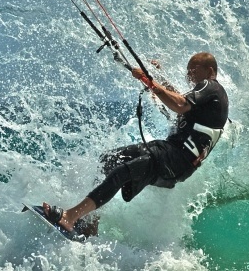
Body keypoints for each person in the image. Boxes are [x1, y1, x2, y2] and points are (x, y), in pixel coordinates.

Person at [43, 52, 229, 236]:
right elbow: (178, 101)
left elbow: (179, 104)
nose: (189, 75)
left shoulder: (211, 86)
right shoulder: (207, 101)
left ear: (210, 70)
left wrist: (149, 81)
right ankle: (90, 224)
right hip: (168, 154)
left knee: (122, 171)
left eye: (193, 70)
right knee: (109, 159)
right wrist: (155, 77)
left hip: (175, 160)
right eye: (187, 70)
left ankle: (70, 216)